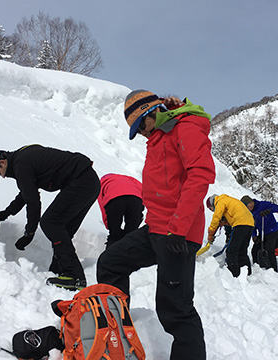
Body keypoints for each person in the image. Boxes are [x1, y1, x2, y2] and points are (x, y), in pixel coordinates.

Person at [97, 90, 215, 360]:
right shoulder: (160, 135)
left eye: (142, 126)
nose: (141, 133)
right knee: (110, 262)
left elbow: (200, 176)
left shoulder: (185, 127)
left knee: (176, 309)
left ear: (153, 110)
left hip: (178, 234)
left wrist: (179, 227)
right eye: (136, 131)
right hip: (155, 229)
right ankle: (116, 336)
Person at [0, 144, 100, 290]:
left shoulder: (20, 165)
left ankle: (74, 275)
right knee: (62, 228)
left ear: (1, 162)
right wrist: (6, 213)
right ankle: (59, 270)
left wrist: (30, 232)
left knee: (50, 222)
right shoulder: (21, 159)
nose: (1, 176)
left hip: (81, 181)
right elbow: (26, 193)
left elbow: (32, 201)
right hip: (89, 181)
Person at [206, 194, 255, 277]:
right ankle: (247, 273)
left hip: (240, 223)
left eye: (211, 209)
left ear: (212, 204)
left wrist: (211, 233)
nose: (213, 211)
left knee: (232, 250)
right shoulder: (229, 200)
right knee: (242, 250)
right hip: (250, 224)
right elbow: (234, 215)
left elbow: (216, 218)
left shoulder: (220, 201)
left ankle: (233, 275)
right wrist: (225, 222)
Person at [97, 173, 144, 248]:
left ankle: (110, 256)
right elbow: (144, 190)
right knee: (131, 234)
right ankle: (129, 254)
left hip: (115, 200)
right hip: (136, 199)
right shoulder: (131, 179)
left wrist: (110, 225)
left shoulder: (102, 183)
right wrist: (140, 212)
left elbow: (103, 205)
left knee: (114, 235)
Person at [240, 195, 278, 272]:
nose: (248, 208)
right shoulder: (249, 213)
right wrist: (254, 236)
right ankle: (257, 267)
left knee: (269, 249)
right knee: (255, 250)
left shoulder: (262, 205)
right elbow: (252, 225)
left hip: (272, 230)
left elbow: (277, 208)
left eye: (248, 205)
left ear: (251, 203)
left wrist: (268, 211)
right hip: (262, 233)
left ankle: (274, 270)